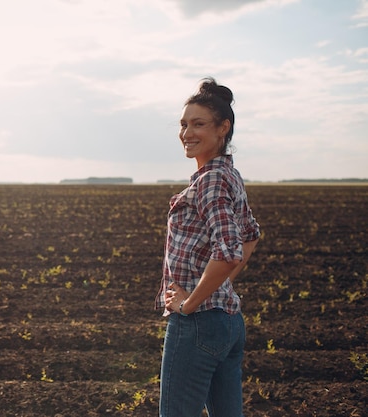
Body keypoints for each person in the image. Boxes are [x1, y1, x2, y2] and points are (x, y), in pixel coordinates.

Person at [155, 77, 261, 417]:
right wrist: (220, 285)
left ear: (223, 128)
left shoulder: (212, 180)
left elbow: (229, 250)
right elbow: (250, 237)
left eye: (198, 124)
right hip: (228, 321)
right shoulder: (228, 174)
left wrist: (190, 303)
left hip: (198, 322)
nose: (187, 132)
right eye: (184, 124)